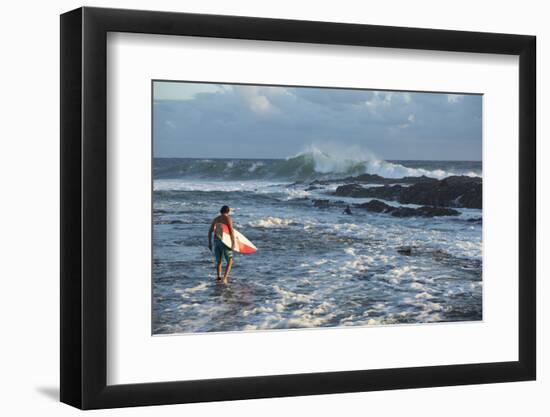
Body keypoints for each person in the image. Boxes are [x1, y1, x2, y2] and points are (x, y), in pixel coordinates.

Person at [208, 205, 236, 284]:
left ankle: (219, 277)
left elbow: (210, 231)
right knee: (230, 260)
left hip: (216, 241)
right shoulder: (228, 218)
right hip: (225, 242)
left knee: (219, 261)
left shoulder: (216, 219)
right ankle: (225, 278)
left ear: (221, 211)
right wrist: (233, 243)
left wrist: (209, 243)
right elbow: (231, 231)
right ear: (228, 211)